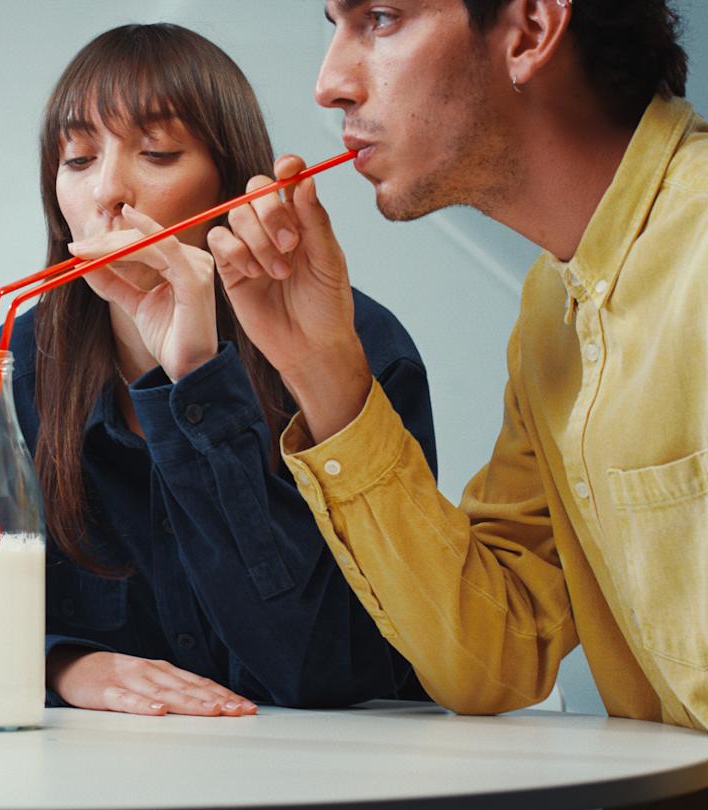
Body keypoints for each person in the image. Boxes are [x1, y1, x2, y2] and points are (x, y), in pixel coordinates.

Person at [0, 23, 434, 717]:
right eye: (77, 158)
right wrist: (57, 662)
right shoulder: (17, 371)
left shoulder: (356, 348)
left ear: (227, 182)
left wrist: (195, 381)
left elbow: (333, 668)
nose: (108, 192)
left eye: (157, 154)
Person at [208, 0, 707, 731]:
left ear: (531, 29)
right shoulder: (549, 310)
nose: (329, 83)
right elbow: (493, 654)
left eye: (380, 18)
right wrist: (323, 369)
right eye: (334, 25)